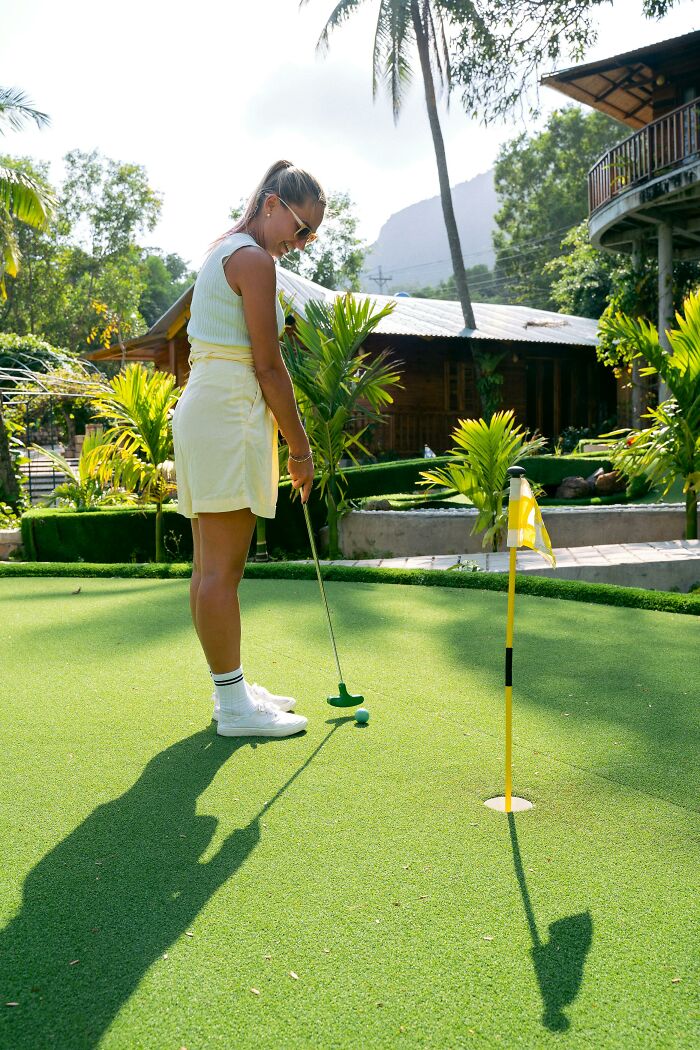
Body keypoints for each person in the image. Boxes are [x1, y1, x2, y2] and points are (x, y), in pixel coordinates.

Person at [172, 160, 325, 738]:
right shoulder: (255, 261)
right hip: (227, 414)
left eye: (310, 234)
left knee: (208, 568)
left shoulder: (227, 249)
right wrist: (301, 449)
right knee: (222, 572)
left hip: (207, 409)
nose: (301, 242)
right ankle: (234, 707)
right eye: (299, 226)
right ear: (270, 203)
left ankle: (230, 689)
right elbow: (269, 366)